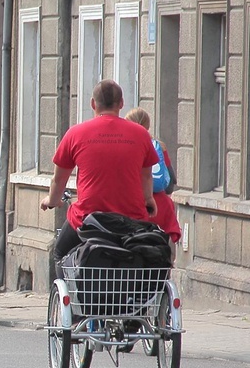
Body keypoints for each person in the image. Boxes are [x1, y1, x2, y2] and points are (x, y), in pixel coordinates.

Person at [41, 80, 159, 276]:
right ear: (121, 103)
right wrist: (149, 200)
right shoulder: (141, 134)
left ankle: (72, 301)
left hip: (88, 219)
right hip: (131, 219)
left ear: (93, 104)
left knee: (60, 252)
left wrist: (52, 201)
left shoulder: (75, 134)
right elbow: (146, 176)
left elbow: (59, 179)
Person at [124, 108, 181, 245]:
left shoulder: (125, 147)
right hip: (160, 208)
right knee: (161, 251)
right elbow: (169, 186)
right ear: (148, 126)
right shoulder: (159, 146)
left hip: (133, 207)